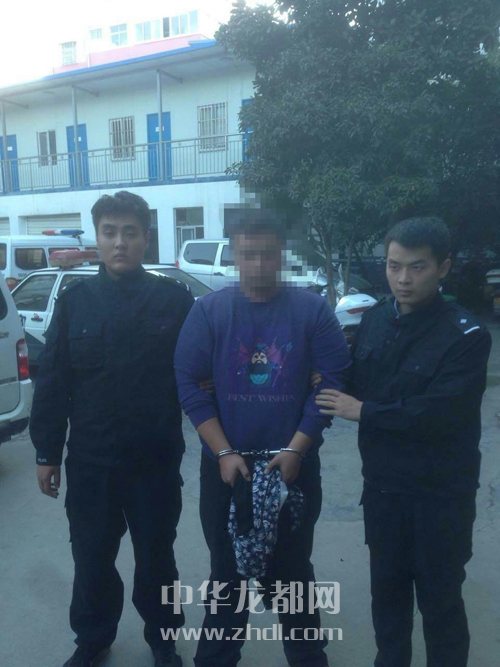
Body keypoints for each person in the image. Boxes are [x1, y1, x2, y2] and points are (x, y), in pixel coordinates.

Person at [174, 205, 352, 667]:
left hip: (293, 465)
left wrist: (298, 446)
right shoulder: (208, 312)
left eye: (268, 254)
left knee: (292, 576)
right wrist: (223, 453)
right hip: (226, 470)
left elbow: (333, 380)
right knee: (227, 575)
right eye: (247, 254)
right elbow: (188, 385)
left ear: (282, 254)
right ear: (234, 254)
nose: (257, 265)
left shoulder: (311, 310)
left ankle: (308, 658)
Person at [315, 217, 492, 667]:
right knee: (388, 600)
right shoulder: (375, 319)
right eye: (394, 266)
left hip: (440, 498)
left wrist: (364, 411)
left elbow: (441, 413)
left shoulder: (467, 336)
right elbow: (355, 379)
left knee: (440, 603)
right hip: (384, 492)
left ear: (443, 268)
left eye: (417, 267)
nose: (403, 279)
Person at [30, 191, 194, 667]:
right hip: (92, 464)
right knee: (91, 559)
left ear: (146, 239)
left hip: (154, 464)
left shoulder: (173, 301)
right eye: (110, 232)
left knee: (157, 559)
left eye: (129, 232)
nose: (120, 242)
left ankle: (163, 641)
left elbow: (201, 372)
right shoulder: (75, 302)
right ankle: (93, 639)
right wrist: (46, 454)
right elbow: (53, 382)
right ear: (98, 238)